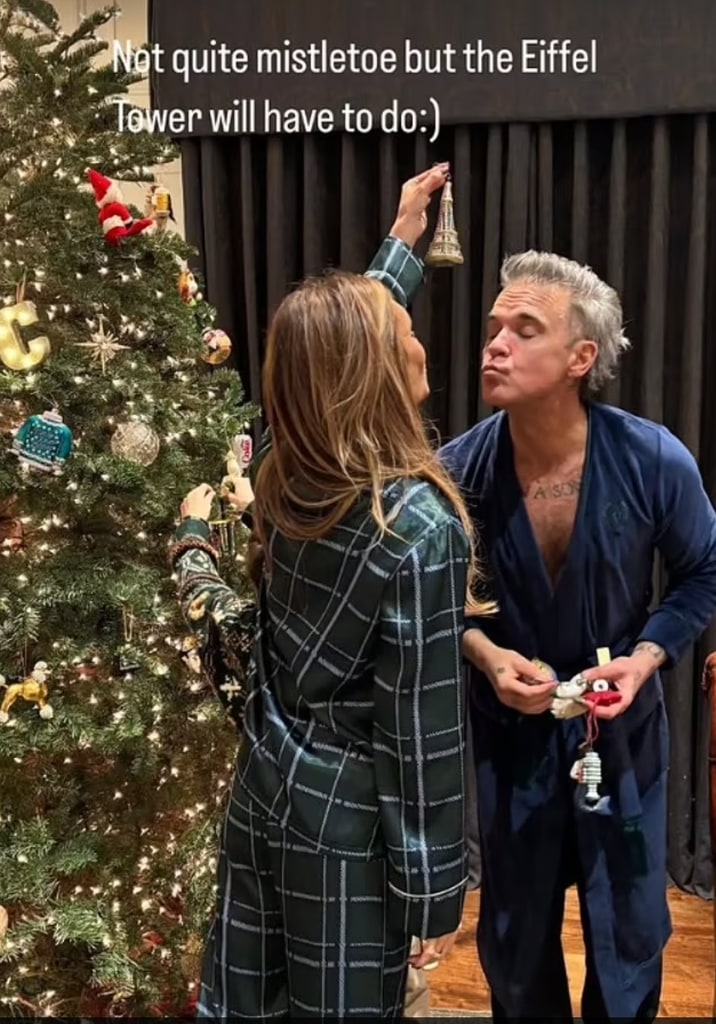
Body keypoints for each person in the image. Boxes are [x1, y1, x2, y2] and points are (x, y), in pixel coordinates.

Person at [169, 166, 493, 1019]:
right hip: (345, 826)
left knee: (247, 997)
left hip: (265, 780)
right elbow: (419, 736)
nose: (418, 338)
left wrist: (401, 239)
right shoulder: (420, 527)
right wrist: (432, 893)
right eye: (404, 330)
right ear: (375, 371)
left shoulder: (286, 466)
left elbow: (319, 364)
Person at [373, 239, 716, 1021]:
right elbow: (425, 604)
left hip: (623, 740)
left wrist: (644, 659)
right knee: (515, 946)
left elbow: (705, 571)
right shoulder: (453, 473)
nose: (494, 342)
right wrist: (487, 655)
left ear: (579, 356)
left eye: (524, 328)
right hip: (512, 739)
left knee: (630, 939)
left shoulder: (653, 460)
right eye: (495, 325)